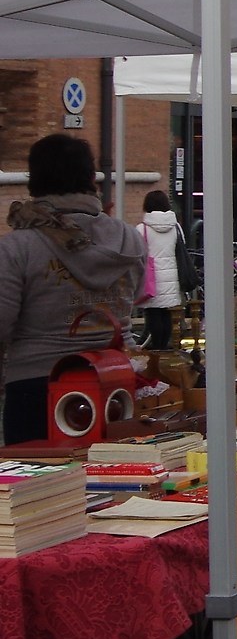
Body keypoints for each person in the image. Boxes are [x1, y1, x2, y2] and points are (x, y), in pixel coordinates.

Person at [0, 135, 147, 444]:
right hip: (116, 380)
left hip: (36, 385)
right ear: (91, 178)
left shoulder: (17, 247)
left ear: (33, 181)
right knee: (113, 481)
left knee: (42, 490)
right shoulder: (127, 238)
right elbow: (131, 300)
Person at [136, 190, 186, 350]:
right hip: (172, 277)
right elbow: (181, 247)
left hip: (151, 279)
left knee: (152, 314)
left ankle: (157, 350)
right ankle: (164, 348)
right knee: (166, 315)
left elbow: (136, 253)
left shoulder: (141, 229)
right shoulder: (176, 227)